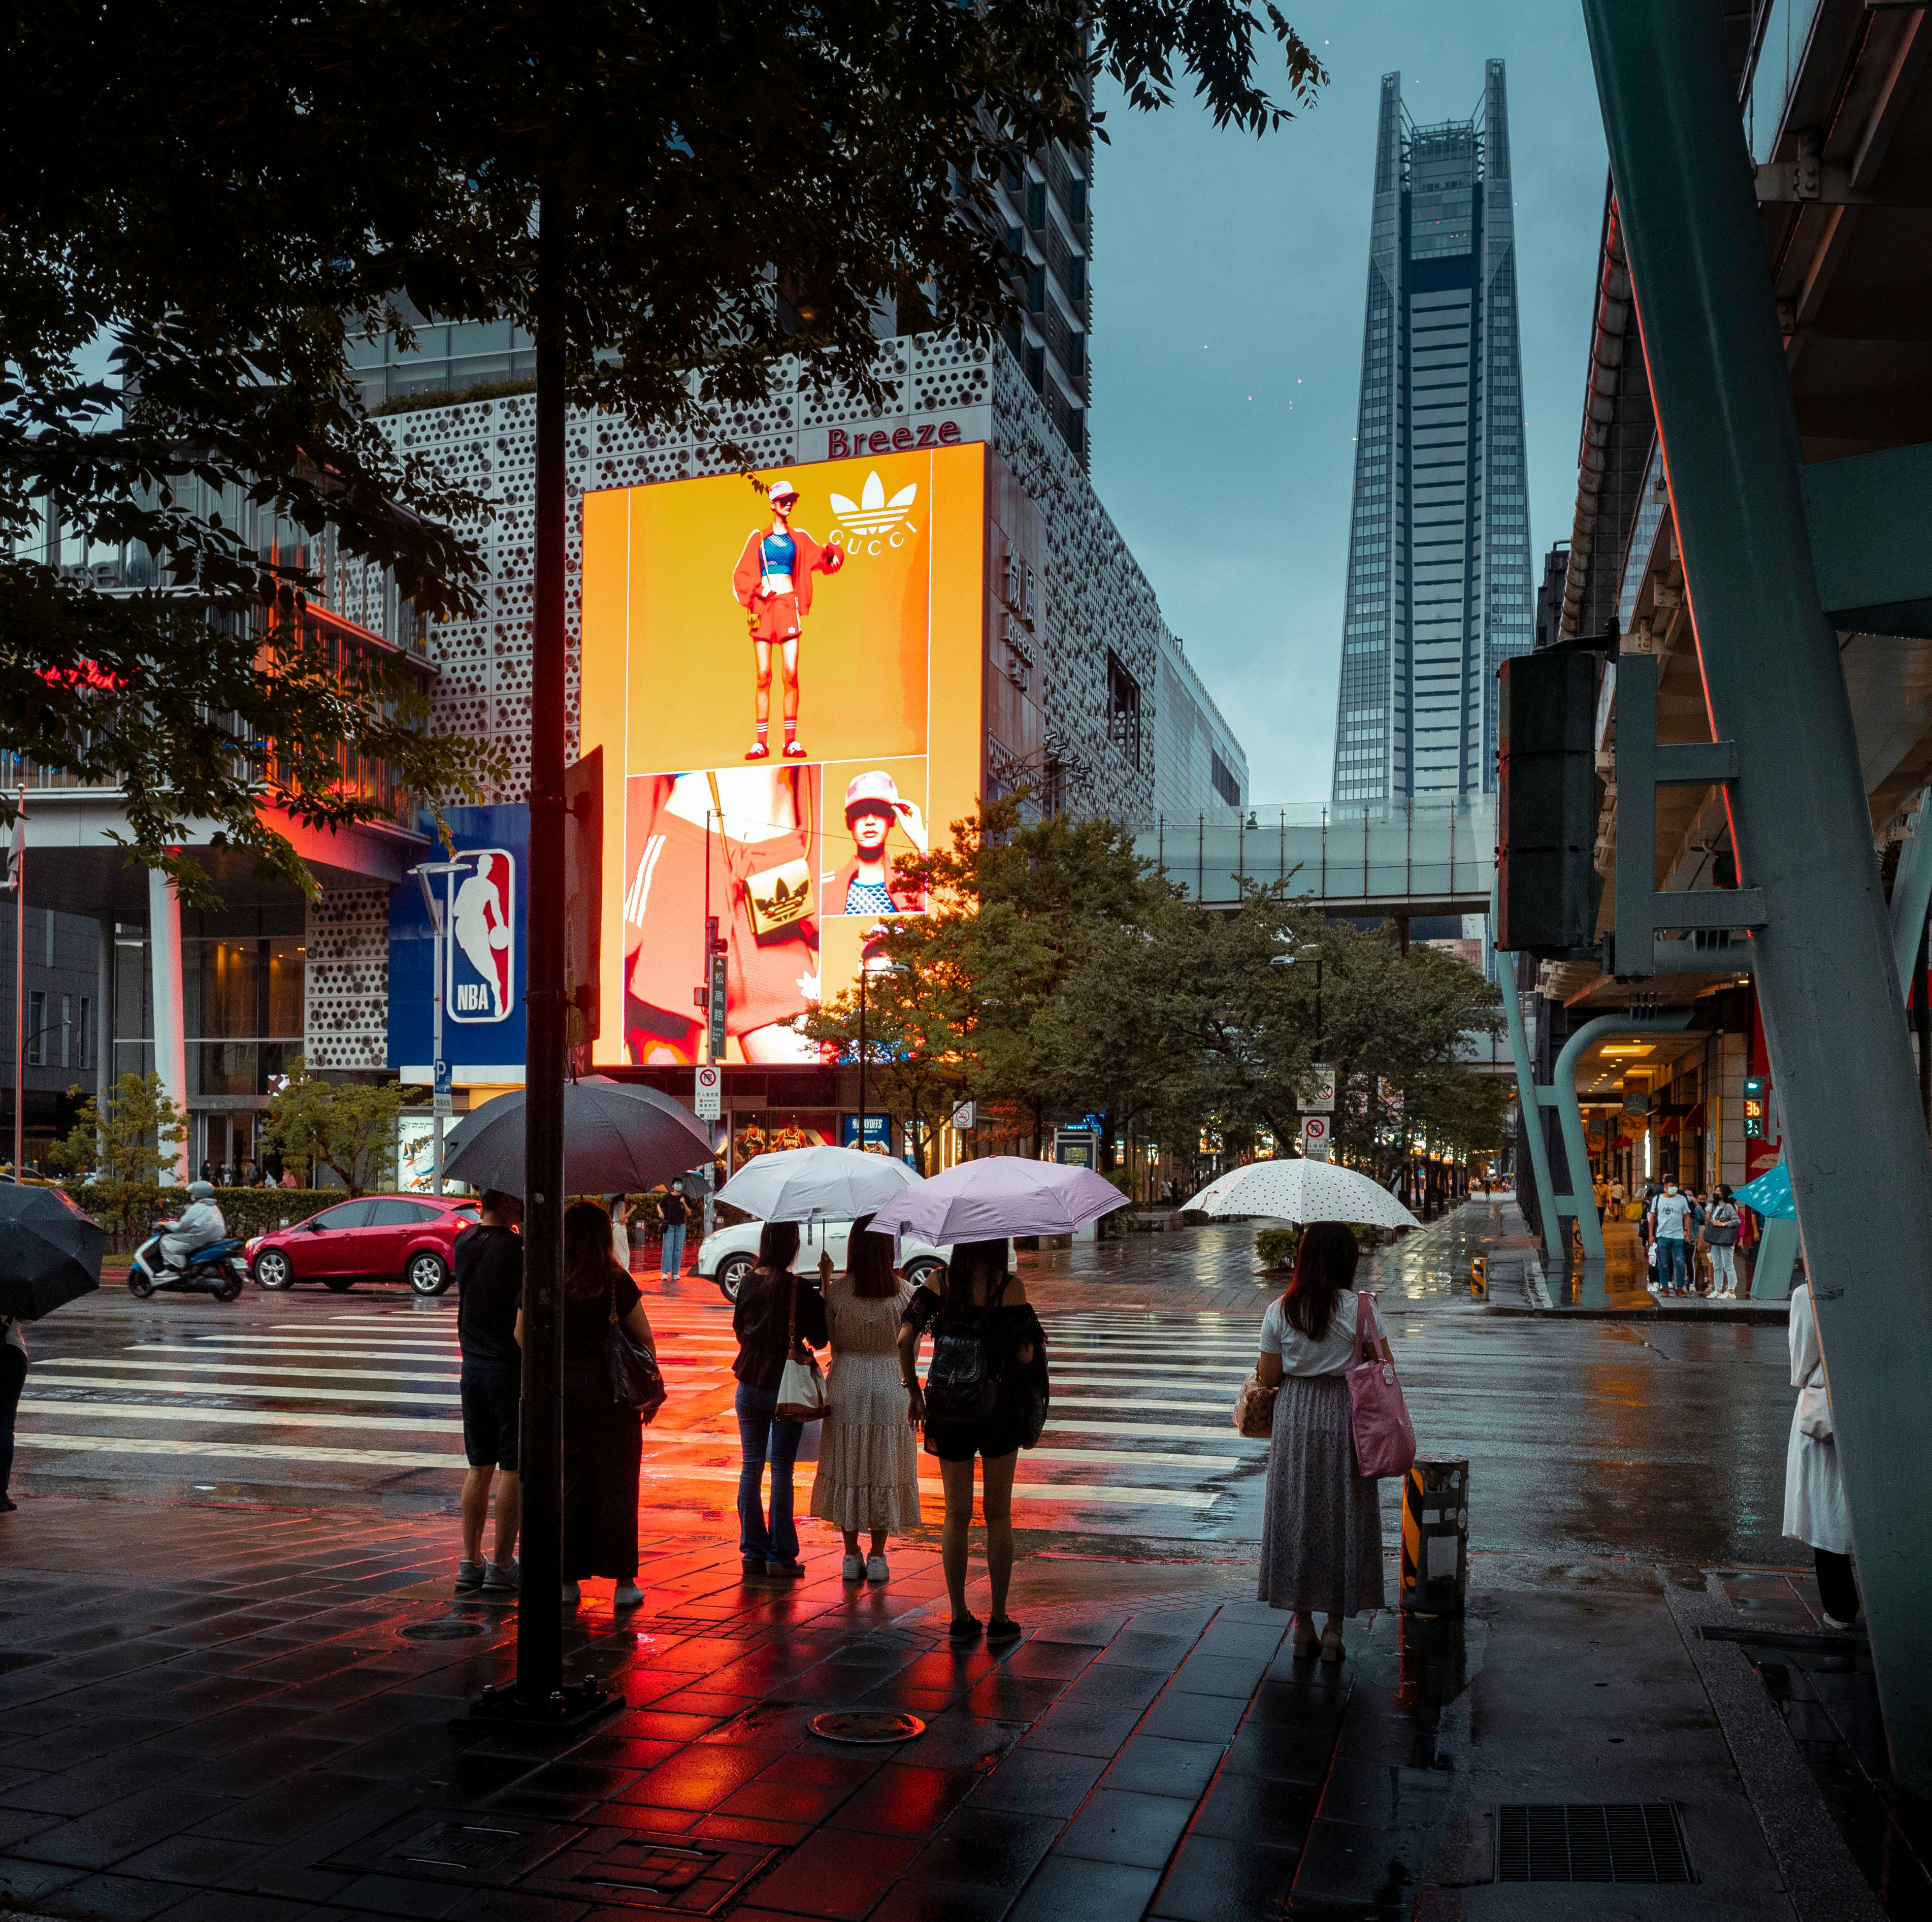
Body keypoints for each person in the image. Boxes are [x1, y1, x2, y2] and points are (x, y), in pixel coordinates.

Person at [1253, 1221, 1390, 1662]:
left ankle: (1301, 1627)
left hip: (1296, 1416)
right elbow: (1384, 1365)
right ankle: (1334, 1628)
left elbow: (1270, 1376)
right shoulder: (1363, 1309)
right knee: (1342, 1515)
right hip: (1347, 1415)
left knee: (1297, 1514)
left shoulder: (1281, 1309)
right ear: (1349, 1260)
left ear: (1304, 1258)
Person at [900, 1237, 1046, 1647]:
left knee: (955, 1514)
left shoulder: (937, 1283)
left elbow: (903, 1338)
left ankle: (960, 1616)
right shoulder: (1010, 1287)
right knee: (998, 1514)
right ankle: (999, 1618)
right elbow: (1024, 1355)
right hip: (999, 1411)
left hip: (948, 1408)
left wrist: (914, 1391)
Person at [809, 1214, 922, 1583]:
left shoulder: (840, 1293)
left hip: (848, 1384)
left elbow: (830, 1340)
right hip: (892, 1385)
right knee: (883, 1466)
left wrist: (826, 1281)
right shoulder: (905, 1293)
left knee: (849, 1464)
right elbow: (912, 1348)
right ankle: (877, 1555)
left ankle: (850, 1554)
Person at [561, 1201, 653, 1609]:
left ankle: (567, 1581)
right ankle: (623, 1583)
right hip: (613, 1396)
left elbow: (520, 1334)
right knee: (618, 1486)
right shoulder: (617, 1281)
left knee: (572, 1486)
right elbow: (645, 1339)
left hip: (564, 1394)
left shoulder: (549, 1278)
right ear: (603, 1235)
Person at [730, 1221, 825, 1575]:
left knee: (750, 1464)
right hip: (785, 1387)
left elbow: (739, 1329)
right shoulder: (798, 1288)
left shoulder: (748, 1280)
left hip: (749, 1382)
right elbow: (821, 1338)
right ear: (793, 1246)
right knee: (781, 1469)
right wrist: (824, 1288)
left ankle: (753, 1551)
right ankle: (781, 1555)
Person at [731, 474, 844, 760]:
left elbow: (824, 560)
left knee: (791, 674)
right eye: (783, 500)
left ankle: (790, 741)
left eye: (791, 500)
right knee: (763, 675)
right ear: (773, 504)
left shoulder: (800, 538)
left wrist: (834, 551)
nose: (789, 504)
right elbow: (740, 576)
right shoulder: (758, 537)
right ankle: (761, 742)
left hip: (787, 606)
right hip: (764, 608)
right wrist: (759, 587)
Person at [453, 1188, 524, 1594]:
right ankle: (501, 1563)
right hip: (508, 1367)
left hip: (472, 1366)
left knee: (479, 1465)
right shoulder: (518, 1248)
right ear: (510, 1202)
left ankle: (470, 1560)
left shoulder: (463, 1240)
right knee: (513, 1467)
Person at [1783, 1269, 1858, 1629]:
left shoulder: (1805, 1296)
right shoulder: (1881, 1287)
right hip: (1873, 1405)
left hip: (1821, 1409)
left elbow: (1800, 1365)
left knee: (1826, 1507)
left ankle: (1839, 1608)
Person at [822, 772, 928, 918]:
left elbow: (943, 907)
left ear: (893, 819)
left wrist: (921, 840)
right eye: (861, 812)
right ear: (849, 822)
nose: (870, 821)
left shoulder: (914, 885)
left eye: (879, 810)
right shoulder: (824, 887)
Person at [158, 1180, 227, 1275]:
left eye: (193, 1193)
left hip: (199, 1239)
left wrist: (166, 1224)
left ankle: (173, 1270)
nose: (192, 1196)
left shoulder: (197, 1207)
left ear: (197, 1194)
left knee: (166, 1240)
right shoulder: (214, 1207)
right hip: (215, 1239)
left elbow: (180, 1227)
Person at [1649, 1179, 1693, 1296]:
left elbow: (1687, 1217)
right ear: (1665, 1186)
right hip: (1662, 1236)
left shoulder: (1682, 1199)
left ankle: (1679, 1288)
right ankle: (1665, 1288)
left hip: (1678, 1236)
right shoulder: (1657, 1200)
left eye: (1676, 1185)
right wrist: (1651, 1235)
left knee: (1680, 1262)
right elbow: (1652, 1217)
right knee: (1663, 1263)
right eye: (1671, 1185)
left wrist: (1688, 1233)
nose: (1674, 1188)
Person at [0, 1312, 24, 1514]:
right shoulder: (15, 1284)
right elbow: (27, 1318)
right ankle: (0, 1494)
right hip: (12, 1352)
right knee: (5, 1423)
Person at [1705, 1187, 1742, 1297]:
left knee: (1728, 1265)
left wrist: (1722, 1224)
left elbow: (1737, 1221)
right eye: (1716, 1192)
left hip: (1725, 1238)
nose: (1716, 1194)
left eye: (1719, 1192)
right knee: (1717, 1265)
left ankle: (1731, 1291)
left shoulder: (1729, 1207)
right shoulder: (1714, 1206)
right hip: (1715, 1238)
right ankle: (1718, 1289)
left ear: (1724, 1194)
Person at [660, 1185, 689, 1280]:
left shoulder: (685, 1197)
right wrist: (660, 1212)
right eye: (677, 1183)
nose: (679, 1185)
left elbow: (689, 1213)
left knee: (678, 1249)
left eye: (680, 1183)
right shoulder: (668, 1197)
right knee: (668, 1248)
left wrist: (684, 1203)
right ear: (673, 1185)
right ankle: (665, 1272)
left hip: (680, 1226)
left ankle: (675, 1273)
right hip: (669, 1225)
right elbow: (659, 1205)